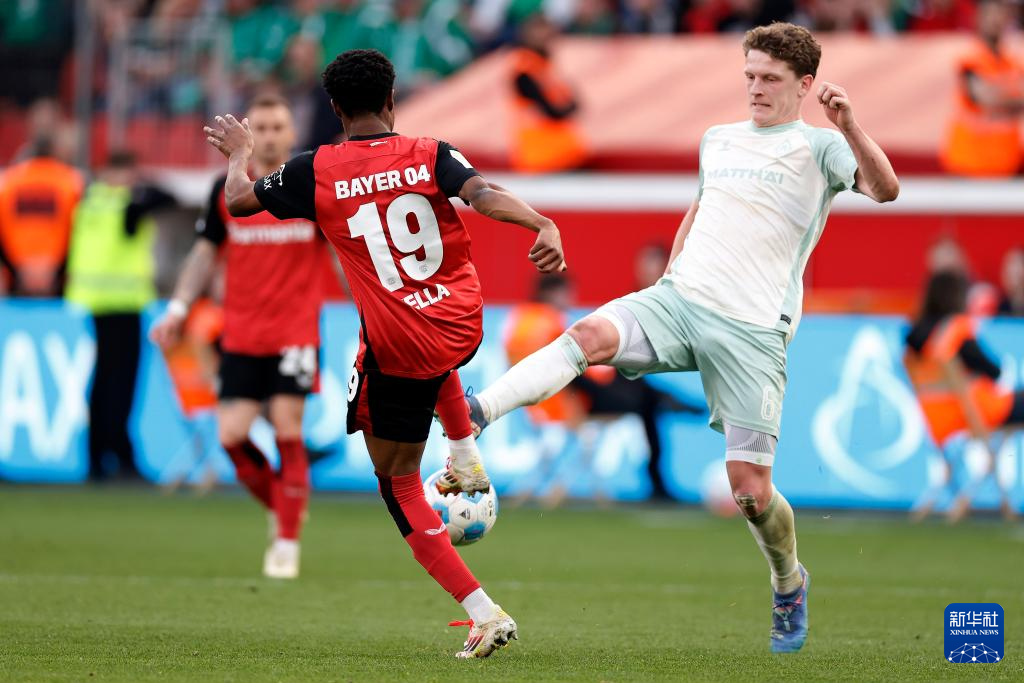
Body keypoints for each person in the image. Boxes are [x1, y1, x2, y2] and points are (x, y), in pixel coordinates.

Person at [465, 22, 898, 653]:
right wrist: (669, 276)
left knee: (749, 492)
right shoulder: (718, 139)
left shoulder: (821, 146)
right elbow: (700, 209)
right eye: (749, 76)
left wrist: (851, 125)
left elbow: (886, 190)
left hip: (753, 331)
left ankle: (788, 580)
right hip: (679, 301)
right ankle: (479, 410)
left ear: (804, 84)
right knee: (587, 334)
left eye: (770, 79)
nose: (755, 88)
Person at [202, 49, 565, 658]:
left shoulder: (313, 169)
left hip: (396, 348)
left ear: (335, 108)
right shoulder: (432, 152)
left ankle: (484, 613)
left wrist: (240, 154)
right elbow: (483, 194)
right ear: (392, 100)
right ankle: (464, 452)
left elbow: (238, 202)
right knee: (426, 345)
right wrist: (542, 224)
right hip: (461, 324)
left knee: (398, 486)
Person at [151, 95, 329, 579]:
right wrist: (178, 308)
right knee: (231, 436)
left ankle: (286, 543)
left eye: (277, 127)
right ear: (249, 134)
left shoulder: (309, 186)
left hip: (295, 332)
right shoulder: (226, 190)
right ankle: (284, 507)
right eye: (261, 127)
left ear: (292, 134)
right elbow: (204, 253)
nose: (269, 136)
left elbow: (341, 252)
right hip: (242, 333)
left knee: (288, 427)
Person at [66, 150, 175, 481]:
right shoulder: (128, 204)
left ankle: (97, 456)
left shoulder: (90, 202)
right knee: (121, 384)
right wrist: (142, 182)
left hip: (95, 301)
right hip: (123, 303)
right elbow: (168, 197)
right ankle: (120, 453)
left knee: (102, 380)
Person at [904, 270, 1020, 521]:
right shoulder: (956, 328)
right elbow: (993, 369)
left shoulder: (913, 335)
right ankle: (977, 496)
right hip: (972, 412)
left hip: (936, 420)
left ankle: (961, 499)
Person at [940, 0, 1024, 177]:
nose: (995, 20)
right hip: (969, 164)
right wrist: (1014, 98)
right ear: (978, 19)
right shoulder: (970, 58)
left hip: (1006, 164)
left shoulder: (1014, 63)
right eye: (990, 14)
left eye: (1000, 14)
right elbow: (985, 97)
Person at [0, 136, 83, 297]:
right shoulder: (72, 181)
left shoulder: (8, 181)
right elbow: (80, 229)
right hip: (56, 270)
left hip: (17, 270)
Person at [509, 14, 588, 173]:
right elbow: (552, 110)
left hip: (558, 153)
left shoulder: (543, 68)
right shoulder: (525, 70)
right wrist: (568, 108)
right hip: (543, 155)